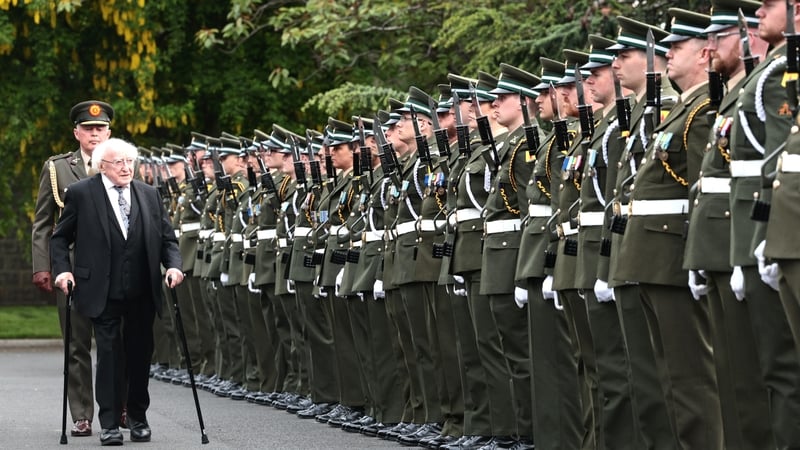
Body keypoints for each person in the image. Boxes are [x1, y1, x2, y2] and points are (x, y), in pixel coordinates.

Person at [51, 137, 184, 446]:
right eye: (119, 163)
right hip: (101, 290)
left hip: (141, 290)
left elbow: (168, 239)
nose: (126, 168)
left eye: (130, 162)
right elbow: (59, 238)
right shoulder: (82, 194)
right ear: (102, 167)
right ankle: (109, 423)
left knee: (139, 357)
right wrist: (63, 270)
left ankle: (138, 418)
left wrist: (173, 266)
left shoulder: (149, 194)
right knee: (109, 357)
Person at [31, 99, 113, 437]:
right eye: (89, 128)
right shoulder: (58, 168)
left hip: (112, 267)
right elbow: (42, 223)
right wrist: (42, 266)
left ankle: (117, 405)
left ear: (109, 131)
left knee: (114, 342)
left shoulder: (122, 162)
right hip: (73, 267)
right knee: (77, 344)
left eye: (101, 128)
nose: (95, 133)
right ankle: (81, 414)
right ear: (76, 132)